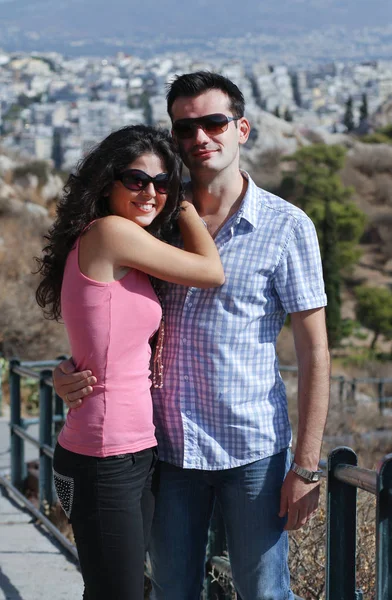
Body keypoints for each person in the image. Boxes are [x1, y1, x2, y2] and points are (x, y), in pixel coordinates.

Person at [53, 73, 330, 600]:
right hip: (166, 450)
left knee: (264, 593)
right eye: (186, 127)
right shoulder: (150, 222)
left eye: (214, 122)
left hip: (251, 449)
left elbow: (314, 349)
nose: (201, 136)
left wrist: (308, 467)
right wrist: (68, 370)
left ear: (242, 128)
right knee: (171, 592)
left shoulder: (287, 226)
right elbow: (110, 315)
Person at [35, 124, 224, 600]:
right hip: (104, 455)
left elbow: (105, 335)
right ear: (106, 181)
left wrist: (66, 369)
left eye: (161, 183)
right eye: (136, 180)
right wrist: (181, 201)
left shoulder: (123, 249)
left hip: (132, 449)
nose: (150, 193)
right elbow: (211, 272)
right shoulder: (110, 233)